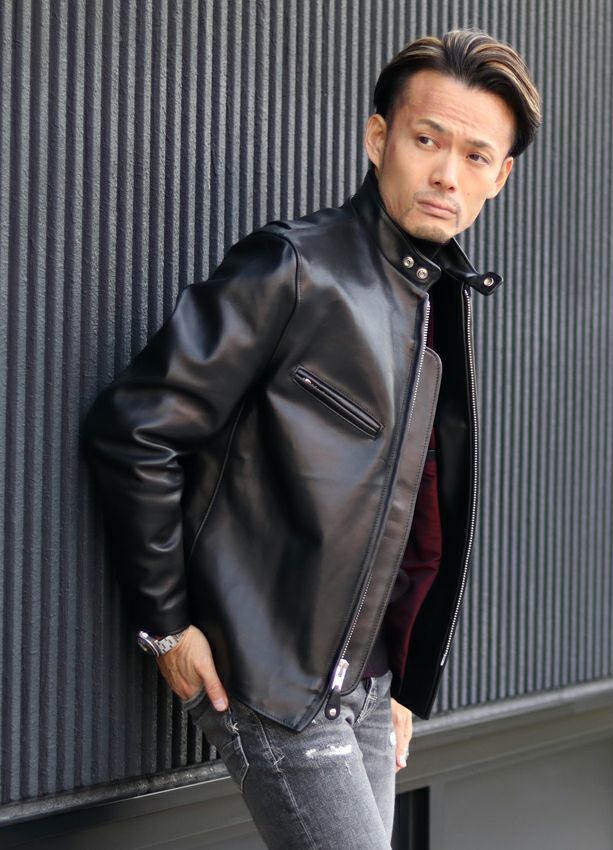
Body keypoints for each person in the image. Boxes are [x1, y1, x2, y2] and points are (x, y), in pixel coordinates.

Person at [82, 29, 540, 849]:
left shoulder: (436, 296)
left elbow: (413, 512)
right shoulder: (293, 267)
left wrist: (402, 678)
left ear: (499, 177)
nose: (447, 173)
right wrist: (167, 624)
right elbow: (134, 428)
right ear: (378, 137)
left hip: (365, 689)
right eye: (426, 140)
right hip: (276, 683)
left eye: (476, 156)